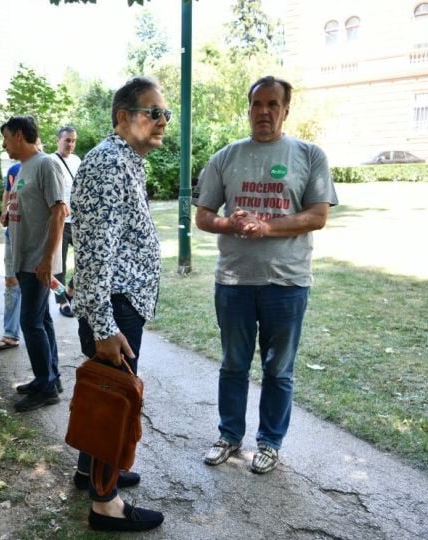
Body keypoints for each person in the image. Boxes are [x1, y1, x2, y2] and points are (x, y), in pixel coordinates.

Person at [195, 75, 338, 474]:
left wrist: (268, 227)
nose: (264, 112)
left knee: (278, 369)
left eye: (273, 104)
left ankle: (270, 442)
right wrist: (230, 224)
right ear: (249, 108)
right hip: (234, 282)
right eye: (258, 104)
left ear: (286, 110)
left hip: (287, 283)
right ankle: (229, 436)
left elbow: (318, 215)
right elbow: (204, 215)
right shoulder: (226, 157)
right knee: (233, 364)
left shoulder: (310, 155)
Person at [70, 77, 168, 532]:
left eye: (165, 113)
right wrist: (105, 326)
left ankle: (90, 470)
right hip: (115, 306)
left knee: (106, 397)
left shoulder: (125, 161)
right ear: (122, 117)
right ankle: (104, 504)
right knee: (113, 402)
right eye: (153, 112)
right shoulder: (109, 163)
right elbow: (93, 253)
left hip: (120, 302)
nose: (162, 121)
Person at [1, 116, 66, 412]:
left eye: (5, 138)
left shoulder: (45, 164)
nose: (3, 144)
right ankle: (49, 378)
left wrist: (46, 260)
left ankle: (47, 387)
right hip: (25, 259)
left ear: (18, 135)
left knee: (30, 321)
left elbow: (59, 213)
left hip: (38, 262)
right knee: (42, 320)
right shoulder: (23, 168)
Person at [0, 161, 22, 351]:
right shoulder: (13, 170)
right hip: (12, 234)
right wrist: (4, 212)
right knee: (11, 282)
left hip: (31, 240)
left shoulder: (44, 165)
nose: (4, 145)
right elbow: (8, 193)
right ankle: (10, 334)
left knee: (35, 286)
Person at [51, 126, 81, 318]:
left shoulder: (78, 160)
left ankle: (71, 289)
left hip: (78, 221)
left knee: (87, 260)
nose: (70, 144)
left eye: (73, 140)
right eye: (67, 140)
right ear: (58, 140)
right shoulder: (50, 161)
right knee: (58, 265)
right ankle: (62, 302)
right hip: (58, 222)